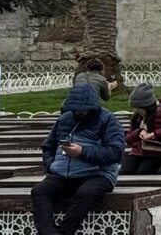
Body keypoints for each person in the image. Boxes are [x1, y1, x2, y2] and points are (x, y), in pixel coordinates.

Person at [30, 81, 125, 235]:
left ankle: (65, 232)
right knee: (39, 191)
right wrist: (52, 166)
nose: (79, 113)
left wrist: (82, 152)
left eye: (83, 110)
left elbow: (115, 153)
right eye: (76, 109)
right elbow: (48, 146)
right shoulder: (64, 119)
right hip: (64, 175)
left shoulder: (108, 120)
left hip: (99, 175)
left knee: (86, 192)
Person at [120, 83, 161, 175]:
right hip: (138, 151)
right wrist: (138, 132)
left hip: (156, 152)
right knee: (125, 171)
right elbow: (128, 139)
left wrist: (156, 134)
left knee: (143, 172)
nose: (137, 111)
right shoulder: (137, 117)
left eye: (139, 108)